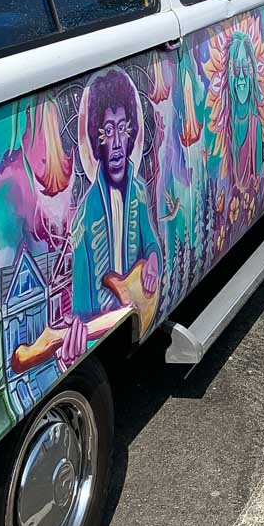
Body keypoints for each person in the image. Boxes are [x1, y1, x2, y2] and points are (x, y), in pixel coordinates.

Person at [62, 69, 161, 363]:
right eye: (107, 131)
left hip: (139, 307)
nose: (116, 142)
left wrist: (154, 257)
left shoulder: (139, 190)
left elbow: (151, 240)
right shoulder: (84, 217)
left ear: (132, 133)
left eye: (122, 128)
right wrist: (79, 325)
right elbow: (81, 295)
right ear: (95, 139)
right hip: (104, 322)